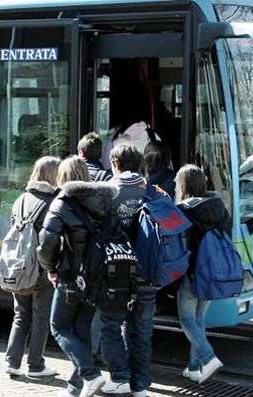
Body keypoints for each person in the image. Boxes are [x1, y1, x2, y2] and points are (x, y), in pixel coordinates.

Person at [38, 156, 116, 397]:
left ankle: (90, 375)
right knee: (82, 327)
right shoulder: (105, 200)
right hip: (98, 277)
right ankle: (76, 387)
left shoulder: (62, 202)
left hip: (71, 276)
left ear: (63, 176)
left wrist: (51, 268)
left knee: (59, 327)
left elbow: (47, 241)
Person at [100, 144, 161, 397]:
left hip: (117, 273)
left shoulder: (108, 191)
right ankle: (140, 386)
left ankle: (120, 378)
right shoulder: (156, 192)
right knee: (142, 330)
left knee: (110, 324)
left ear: (115, 163)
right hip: (148, 272)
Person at [4, 156, 60, 379]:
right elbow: (50, 240)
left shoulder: (20, 200)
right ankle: (36, 366)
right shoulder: (53, 203)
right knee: (40, 317)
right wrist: (53, 267)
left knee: (20, 315)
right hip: (41, 268)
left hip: (18, 267)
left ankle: (12, 362)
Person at [174, 164, 227, 384]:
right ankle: (195, 368)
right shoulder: (219, 207)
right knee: (198, 318)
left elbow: (180, 246)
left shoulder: (183, 210)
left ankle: (208, 356)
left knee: (186, 318)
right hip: (215, 273)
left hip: (192, 273)